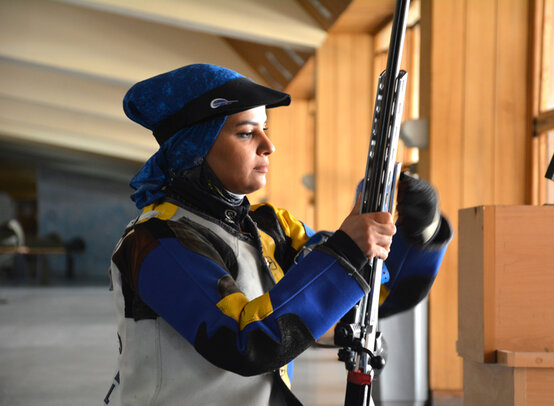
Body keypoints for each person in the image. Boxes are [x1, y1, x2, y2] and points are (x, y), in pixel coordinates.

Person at [105, 64, 452, 406]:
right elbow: (244, 342)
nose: (268, 145)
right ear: (195, 146)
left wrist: (416, 231)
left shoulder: (271, 227)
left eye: (265, 129)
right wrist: (348, 250)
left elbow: (373, 297)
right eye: (246, 133)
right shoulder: (155, 241)